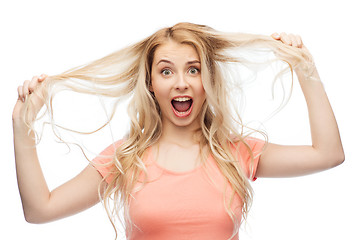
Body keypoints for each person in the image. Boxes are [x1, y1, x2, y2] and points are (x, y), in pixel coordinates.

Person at [12, 23, 344, 240]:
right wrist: (21, 125)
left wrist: (306, 70)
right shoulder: (126, 158)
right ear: (151, 84)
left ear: (207, 81)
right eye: (166, 71)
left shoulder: (236, 152)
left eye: (193, 70)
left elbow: (328, 154)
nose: (181, 82)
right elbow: (40, 210)